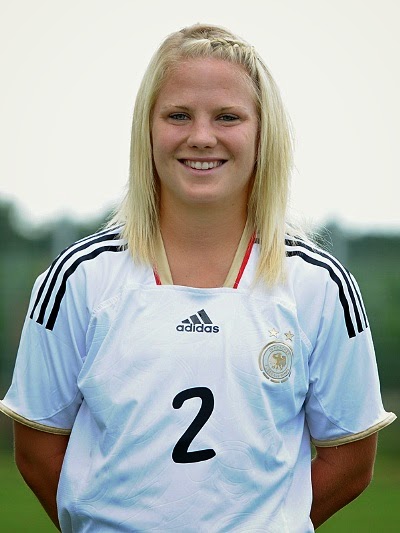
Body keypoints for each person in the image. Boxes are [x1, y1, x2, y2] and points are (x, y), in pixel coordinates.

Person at [0, 23, 396, 532]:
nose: (202, 137)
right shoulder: (79, 279)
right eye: (178, 115)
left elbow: (352, 460)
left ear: (263, 133)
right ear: (147, 129)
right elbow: (37, 450)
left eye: (228, 116)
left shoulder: (319, 286)